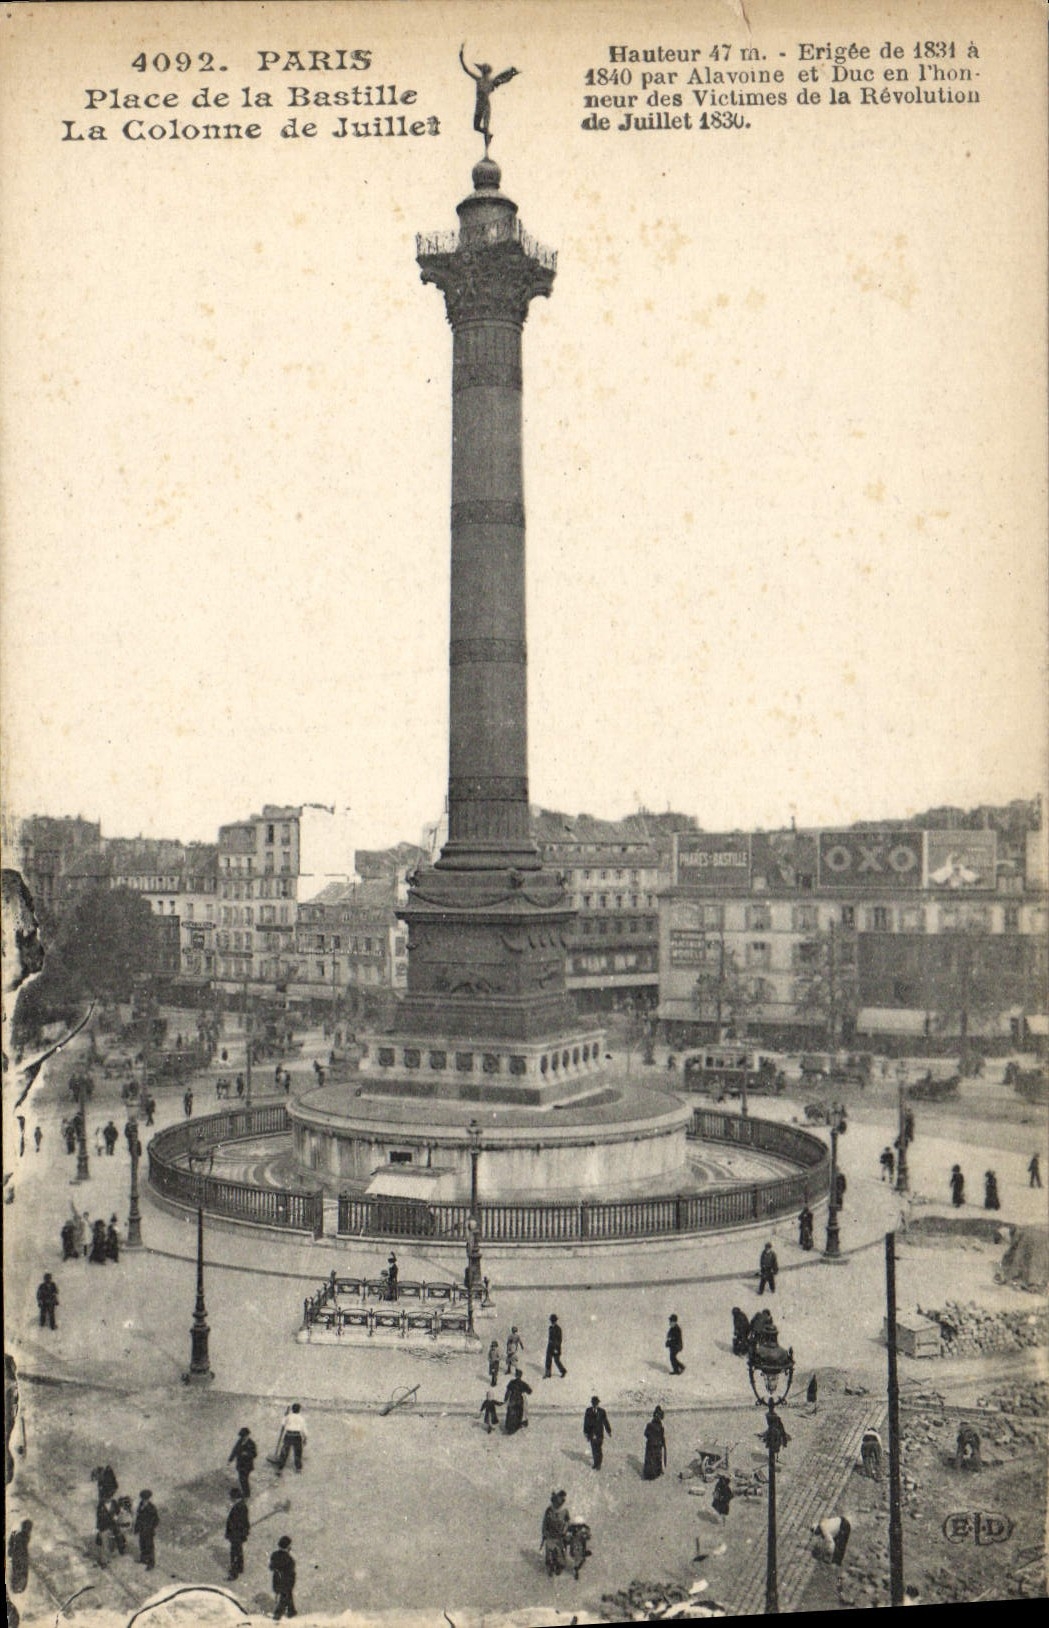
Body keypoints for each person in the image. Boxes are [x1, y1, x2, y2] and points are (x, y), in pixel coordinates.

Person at [458, 44, 520, 148]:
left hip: (484, 104)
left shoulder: (486, 81)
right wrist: (461, 58)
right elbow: (502, 80)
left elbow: (502, 80)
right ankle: (488, 137)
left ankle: (487, 142)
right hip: (481, 104)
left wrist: (461, 58)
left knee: (484, 126)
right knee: (477, 127)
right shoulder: (483, 80)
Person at [540, 1489, 569, 1575]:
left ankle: (559, 1567)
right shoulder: (549, 1510)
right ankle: (550, 1567)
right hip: (550, 1535)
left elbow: (567, 1522)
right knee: (550, 1552)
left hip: (560, 1536)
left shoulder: (564, 1511)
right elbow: (545, 1522)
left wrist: (564, 1531)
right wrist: (544, 1532)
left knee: (560, 1553)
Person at [226, 1485, 250, 1579]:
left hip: (236, 1534)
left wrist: (232, 1533)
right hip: (239, 1534)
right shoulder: (241, 1506)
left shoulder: (239, 1507)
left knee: (234, 1553)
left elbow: (237, 1523)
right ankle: (239, 1567)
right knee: (238, 1551)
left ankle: (234, 1572)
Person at [270, 1534, 297, 1619]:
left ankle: (291, 1611)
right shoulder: (289, 1559)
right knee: (285, 1596)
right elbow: (291, 1571)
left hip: (277, 1580)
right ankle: (279, 1613)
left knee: (286, 1595)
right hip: (286, 1581)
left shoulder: (274, 1555)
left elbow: (271, 1567)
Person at [276, 1403, 307, 1473]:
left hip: (288, 1435)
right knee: (298, 1452)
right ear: (299, 1410)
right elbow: (304, 1429)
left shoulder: (288, 1416)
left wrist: (285, 1416)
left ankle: (280, 1469)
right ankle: (298, 1469)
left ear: (292, 1409)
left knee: (284, 1452)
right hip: (297, 1436)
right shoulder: (301, 1418)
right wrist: (305, 1438)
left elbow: (283, 1424)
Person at [583, 1396, 612, 1469]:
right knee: (593, 1449)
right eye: (594, 1403)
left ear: (598, 1403)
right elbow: (586, 1422)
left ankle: (599, 1464)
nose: (595, 1404)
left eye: (596, 1403)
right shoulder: (588, 1411)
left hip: (599, 1433)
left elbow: (605, 1422)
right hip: (591, 1433)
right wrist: (586, 1432)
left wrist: (608, 1431)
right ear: (592, 1403)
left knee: (598, 1449)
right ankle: (596, 1463)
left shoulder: (602, 1411)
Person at [133, 1489, 158, 1570]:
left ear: (148, 1498)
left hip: (148, 1530)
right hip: (141, 1529)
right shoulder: (140, 1506)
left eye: (146, 1498)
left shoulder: (152, 1507)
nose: (144, 1500)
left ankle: (151, 1563)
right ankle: (143, 1559)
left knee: (149, 1546)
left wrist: (151, 1527)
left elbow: (156, 1519)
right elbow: (138, 1518)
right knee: (142, 1544)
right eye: (143, 1498)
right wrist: (136, 1528)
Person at [228, 1427, 258, 1497]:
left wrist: (247, 1454)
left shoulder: (251, 1443)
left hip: (247, 1466)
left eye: (244, 1436)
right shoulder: (240, 1441)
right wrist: (230, 1459)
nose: (242, 1437)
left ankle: (246, 1494)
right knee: (241, 1479)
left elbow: (255, 1454)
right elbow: (235, 1450)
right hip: (240, 1464)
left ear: (247, 1435)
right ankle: (245, 1492)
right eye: (242, 1436)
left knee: (244, 1479)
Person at [503, 1368, 532, 1434]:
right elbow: (530, 1391)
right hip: (519, 1400)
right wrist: (523, 1391)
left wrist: (505, 1399)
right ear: (521, 1376)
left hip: (512, 1399)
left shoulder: (511, 1382)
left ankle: (509, 1427)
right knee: (518, 1413)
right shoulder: (523, 1383)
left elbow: (507, 1392)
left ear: (515, 1375)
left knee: (511, 1413)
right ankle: (516, 1426)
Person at [7, 1518, 31, 1593]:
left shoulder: (23, 1535)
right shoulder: (22, 1535)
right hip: (19, 1556)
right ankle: (16, 1587)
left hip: (20, 1556)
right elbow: (12, 1544)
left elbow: (11, 1543)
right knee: (19, 1571)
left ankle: (17, 1587)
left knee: (19, 1571)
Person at [643, 1406, 667, 1480]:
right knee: (656, 1459)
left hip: (650, 1445)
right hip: (658, 1445)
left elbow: (645, 1434)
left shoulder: (649, 1425)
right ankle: (656, 1473)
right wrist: (663, 1444)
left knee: (650, 1459)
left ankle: (648, 1474)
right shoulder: (661, 1427)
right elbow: (662, 1437)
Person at [544, 1313, 567, 1378]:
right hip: (550, 1346)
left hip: (556, 1347)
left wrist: (556, 1348)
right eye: (551, 1321)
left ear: (556, 1321)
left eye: (553, 1320)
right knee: (548, 1360)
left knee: (556, 1360)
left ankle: (563, 1371)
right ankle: (548, 1374)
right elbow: (550, 1338)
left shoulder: (558, 1329)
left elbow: (559, 1340)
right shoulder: (550, 1328)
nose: (552, 1322)